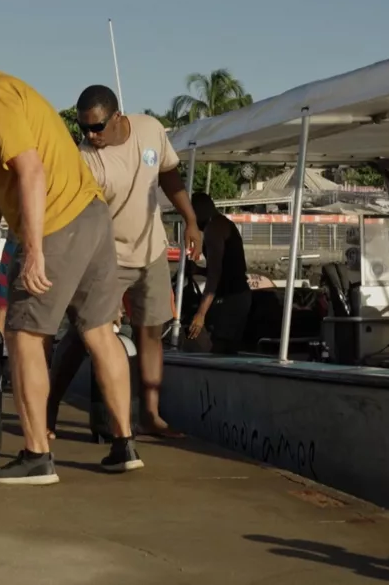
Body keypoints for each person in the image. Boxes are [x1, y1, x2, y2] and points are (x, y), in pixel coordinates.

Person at [0, 42, 141, 485]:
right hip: (91, 215)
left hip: (58, 222)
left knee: (23, 335)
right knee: (98, 332)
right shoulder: (9, 91)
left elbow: (31, 172)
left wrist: (32, 250)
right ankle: (124, 444)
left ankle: (37, 455)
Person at [45, 85, 203, 440]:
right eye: (83, 128)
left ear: (117, 117)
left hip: (152, 249)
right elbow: (87, 219)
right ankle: (48, 406)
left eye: (97, 127)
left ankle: (150, 416)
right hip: (105, 256)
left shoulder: (150, 128)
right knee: (83, 335)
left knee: (151, 330)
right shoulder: (84, 159)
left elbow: (168, 174)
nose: (90, 135)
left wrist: (191, 220)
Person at [188, 192, 253, 354]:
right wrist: (198, 270)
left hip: (231, 298)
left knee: (220, 348)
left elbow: (215, 275)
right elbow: (224, 268)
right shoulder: (222, 224)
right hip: (239, 295)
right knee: (229, 348)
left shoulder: (214, 229)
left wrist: (200, 314)